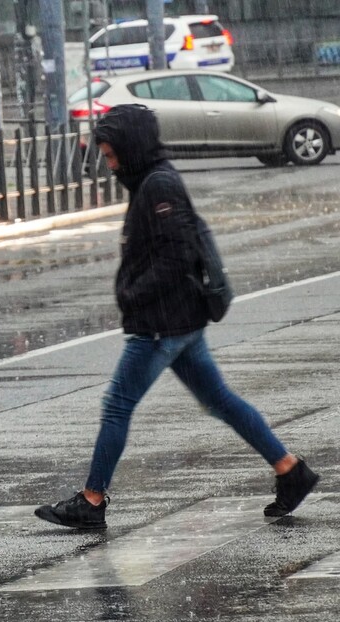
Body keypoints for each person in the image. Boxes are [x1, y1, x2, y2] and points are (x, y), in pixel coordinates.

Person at [35, 104, 319, 530]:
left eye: (112, 156)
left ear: (130, 147)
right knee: (220, 400)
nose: (111, 166)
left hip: (161, 323)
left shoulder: (158, 186)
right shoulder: (152, 181)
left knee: (117, 406)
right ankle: (289, 470)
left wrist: (132, 293)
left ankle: (92, 500)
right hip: (179, 321)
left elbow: (176, 255)